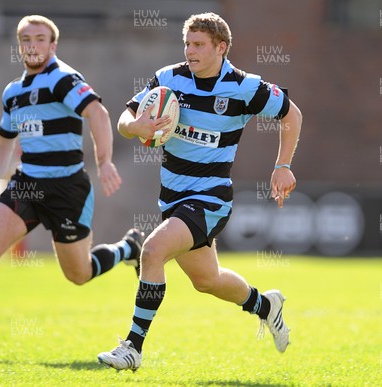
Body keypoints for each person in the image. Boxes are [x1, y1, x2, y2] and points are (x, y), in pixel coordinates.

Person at [0, 15, 143, 353]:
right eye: (26, 39)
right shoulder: (13, 92)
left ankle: (128, 249)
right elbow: (2, 143)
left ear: (52, 45)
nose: (33, 45)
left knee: (79, 274)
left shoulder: (63, 79)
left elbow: (98, 113)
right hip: (27, 184)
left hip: (67, 189)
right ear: (19, 45)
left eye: (40, 39)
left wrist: (104, 163)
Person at [98, 12, 302, 371]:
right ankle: (267, 306)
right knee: (207, 281)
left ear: (220, 47)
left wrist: (282, 165)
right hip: (172, 197)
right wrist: (137, 125)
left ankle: (133, 347)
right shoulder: (168, 78)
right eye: (187, 43)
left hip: (211, 198)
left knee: (153, 250)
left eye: (198, 45)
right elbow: (125, 119)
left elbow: (292, 115)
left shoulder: (244, 86)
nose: (190, 51)